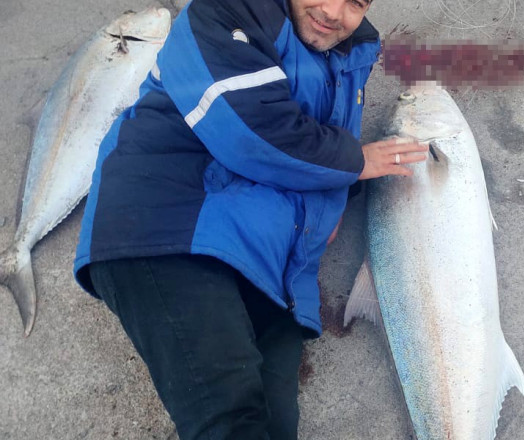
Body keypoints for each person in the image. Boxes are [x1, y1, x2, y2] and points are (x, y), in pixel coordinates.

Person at [72, 0, 427, 438]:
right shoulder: (229, 9)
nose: (335, 11)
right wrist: (353, 162)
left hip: (275, 273)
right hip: (172, 228)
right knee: (231, 422)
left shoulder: (350, 61)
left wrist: (337, 191)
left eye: (356, 2)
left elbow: (323, 149)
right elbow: (251, 133)